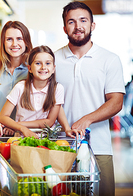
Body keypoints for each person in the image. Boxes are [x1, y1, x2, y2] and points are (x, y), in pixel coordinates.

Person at [55, 2, 125, 196]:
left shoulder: (109, 59)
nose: (78, 26)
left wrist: (87, 119)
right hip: (60, 148)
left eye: (83, 20)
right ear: (64, 28)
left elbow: (116, 101)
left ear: (92, 25)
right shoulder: (52, 60)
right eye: (71, 21)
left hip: (99, 147)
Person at [0, 21, 36, 196]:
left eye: (19, 38)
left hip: (21, 138)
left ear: (26, 41)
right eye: (9, 39)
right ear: (3, 43)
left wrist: (17, 127)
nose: (14, 44)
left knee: (22, 190)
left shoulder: (33, 71)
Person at [0, 46, 64, 136]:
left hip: (47, 139)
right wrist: (22, 129)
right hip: (21, 139)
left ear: (53, 69)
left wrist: (16, 125)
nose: (43, 67)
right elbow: (2, 117)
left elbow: (49, 122)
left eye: (48, 63)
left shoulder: (57, 89)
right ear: (29, 68)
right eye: (38, 63)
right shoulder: (20, 87)